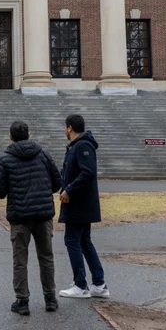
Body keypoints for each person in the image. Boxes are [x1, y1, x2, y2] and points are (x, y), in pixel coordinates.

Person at [0, 120, 62, 316]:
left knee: (20, 258)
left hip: (20, 215)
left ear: (11, 137)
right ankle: (50, 298)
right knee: (46, 256)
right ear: (29, 135)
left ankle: (22, 301)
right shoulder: (43, 154)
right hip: (43, 214)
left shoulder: (5, 158)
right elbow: (57, 183)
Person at [58, 114, 108, 300]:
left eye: (65, 127)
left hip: (78, 203)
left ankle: (81, 285)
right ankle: (99, 284)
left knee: (72, 240)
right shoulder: (77, 146)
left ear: (70, 128)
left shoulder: (82, 146)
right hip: (81, 202)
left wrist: (69, 190)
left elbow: (88, 172)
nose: (65, 130)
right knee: (84, 241)